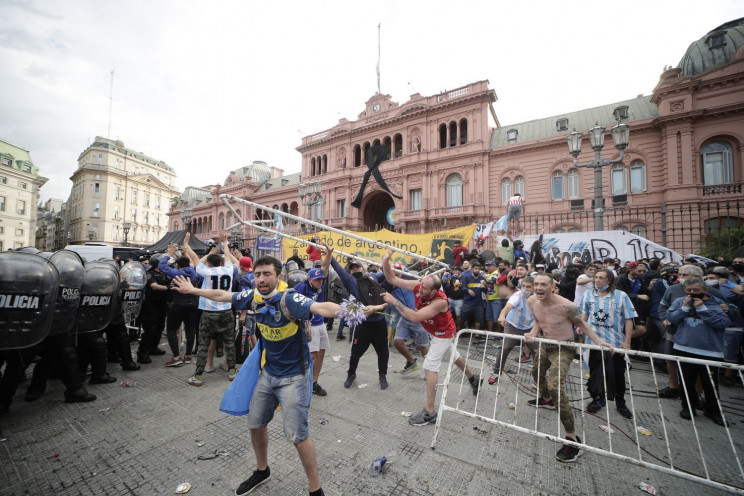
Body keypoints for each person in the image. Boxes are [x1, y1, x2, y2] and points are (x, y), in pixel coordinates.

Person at [172, 256, 346, 496]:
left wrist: (349, 310)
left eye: (267, 274)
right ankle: (262, 470)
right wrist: (193, 290)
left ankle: (315, 489)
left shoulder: (290, 298)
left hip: (294, 378)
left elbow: (320, 307)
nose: (261, 279)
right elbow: (225, 296)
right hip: (268, 374)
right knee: (255, 424)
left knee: (298, 436)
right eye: (257, 274)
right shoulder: (253, 296)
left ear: (279, 276)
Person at [380, 249, 481, 426]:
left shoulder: (440, 301)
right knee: (453, 356)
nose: (419, 291)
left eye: (425, 289)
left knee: (430, 365)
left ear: (435, 290)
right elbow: (392, 279)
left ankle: (429, 412)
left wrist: (393, 301)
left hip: (444, 333)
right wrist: (386, 261)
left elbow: (413, 317)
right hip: (434, 332)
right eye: (421, 287)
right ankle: (473, 378)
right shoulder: (420, 285)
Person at [524, 273, 611, 463]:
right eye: (536, 284)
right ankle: (546, 399)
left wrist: (599, 341)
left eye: (543, 284)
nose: (539, 287)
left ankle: (572, 438)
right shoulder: (532, 300)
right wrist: (533, 333)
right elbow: (539, 320)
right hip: (545, 344)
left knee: (555, 386)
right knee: (535, 372)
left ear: (553, 286)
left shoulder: (567, 306)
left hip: (564, 348)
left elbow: (582, 324)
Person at [667, 277, 731, 426]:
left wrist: (703, 309)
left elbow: (723, 323)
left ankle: (712, 410)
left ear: (705, 290)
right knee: (686, 381)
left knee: (710, 384)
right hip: (684, 347)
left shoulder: (716, 303)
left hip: (710, 351)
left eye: (696, 290)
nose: (693, 293)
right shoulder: (680, 301)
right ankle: (688, 407)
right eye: (689, 290)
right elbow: (671, 318)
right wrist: (684, 308)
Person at [579, 269, 637, 419]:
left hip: (615, 343)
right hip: (594, 343)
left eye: (601, 278)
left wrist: (627, 341)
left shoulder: (621, 296)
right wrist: (581, 325)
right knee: (594, 373)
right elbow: (584, 313)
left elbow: (629, 319)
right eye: (596, 278)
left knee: (618, 375)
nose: (597, 280)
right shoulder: (588, 294)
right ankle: (597, 399)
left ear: (609, 281)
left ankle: (621, 403)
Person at [185, 233, 238, 386]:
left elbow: (195, 259)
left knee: (203, 344)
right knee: (229, 342)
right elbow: (228, 256)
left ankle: (198, 375)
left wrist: (188, 246)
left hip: (208, 313)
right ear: (221, 263)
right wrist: (225, 242)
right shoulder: (228, 270)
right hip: (226, 311)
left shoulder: (206, 272)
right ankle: (232, 371)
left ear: (208, 263)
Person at [330, 258, 389, 389]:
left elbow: (386, 273)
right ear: (350, 272)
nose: (355, 269)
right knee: (356, 352)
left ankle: (382, 375)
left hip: (380, 323)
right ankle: (351, 374)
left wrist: (387, 261)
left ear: (363, 269)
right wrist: (331, 257)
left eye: (358, 267)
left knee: (383, 352)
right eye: (352, 268)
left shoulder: (373, 277)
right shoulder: (351, 281)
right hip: (364, 324)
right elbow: (339, 270)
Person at [293, 245, 334, 396]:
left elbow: (325, 266)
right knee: (312, 355)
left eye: (321, 280)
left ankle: (314, 382)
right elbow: (292, 302)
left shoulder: (320, 284)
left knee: (321, 353)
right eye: (317, 280)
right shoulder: (301, 287)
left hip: (320, 323)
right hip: (309, 325)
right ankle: (304, 382)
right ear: (309, 279)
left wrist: (329, 253)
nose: (320, 282)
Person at [158, 239, 200, 367]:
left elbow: (162, 266)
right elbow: (190, 262)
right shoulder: (194, 272)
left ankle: (176, 357)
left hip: (179, 304)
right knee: (191, 330)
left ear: (177, 265)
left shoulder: (175, 273)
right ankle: (188, 356)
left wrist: (169, 254)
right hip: (193, 304)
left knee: (171, 330)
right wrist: (181, 255)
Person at [489, 276, 536, 384]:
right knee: (504, 349)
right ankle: (496, 372)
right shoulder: (517, 295)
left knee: (537, 352)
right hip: (513, 325)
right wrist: (502, 315)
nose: (525, 289)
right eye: (523, 286)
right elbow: (508, 307)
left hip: (530, 327)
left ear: (534, 287)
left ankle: (538, 379)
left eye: (528, 287)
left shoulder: (538, 297)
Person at [461, 262, 486, 332]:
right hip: (468, 302)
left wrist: (486, 285)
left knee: (478, 318)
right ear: (472, 269)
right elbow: (462, 287)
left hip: (478, 302)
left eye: (478, 269)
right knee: (462, 317)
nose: (477, 270)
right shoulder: (467, 277)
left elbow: (485, 290)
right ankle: (460, 330)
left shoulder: (482, 278)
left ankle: (477, 333)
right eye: (476, 268)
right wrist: (468, 290)